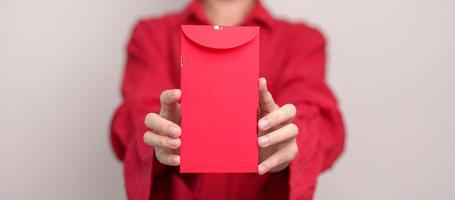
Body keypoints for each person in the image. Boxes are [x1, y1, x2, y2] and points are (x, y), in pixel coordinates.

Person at [110, 0, 345, 199]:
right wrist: (160, 135)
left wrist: (289, 138)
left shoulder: (302, 40)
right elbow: (134, 119)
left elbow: (316, 116)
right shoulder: (152, 35)